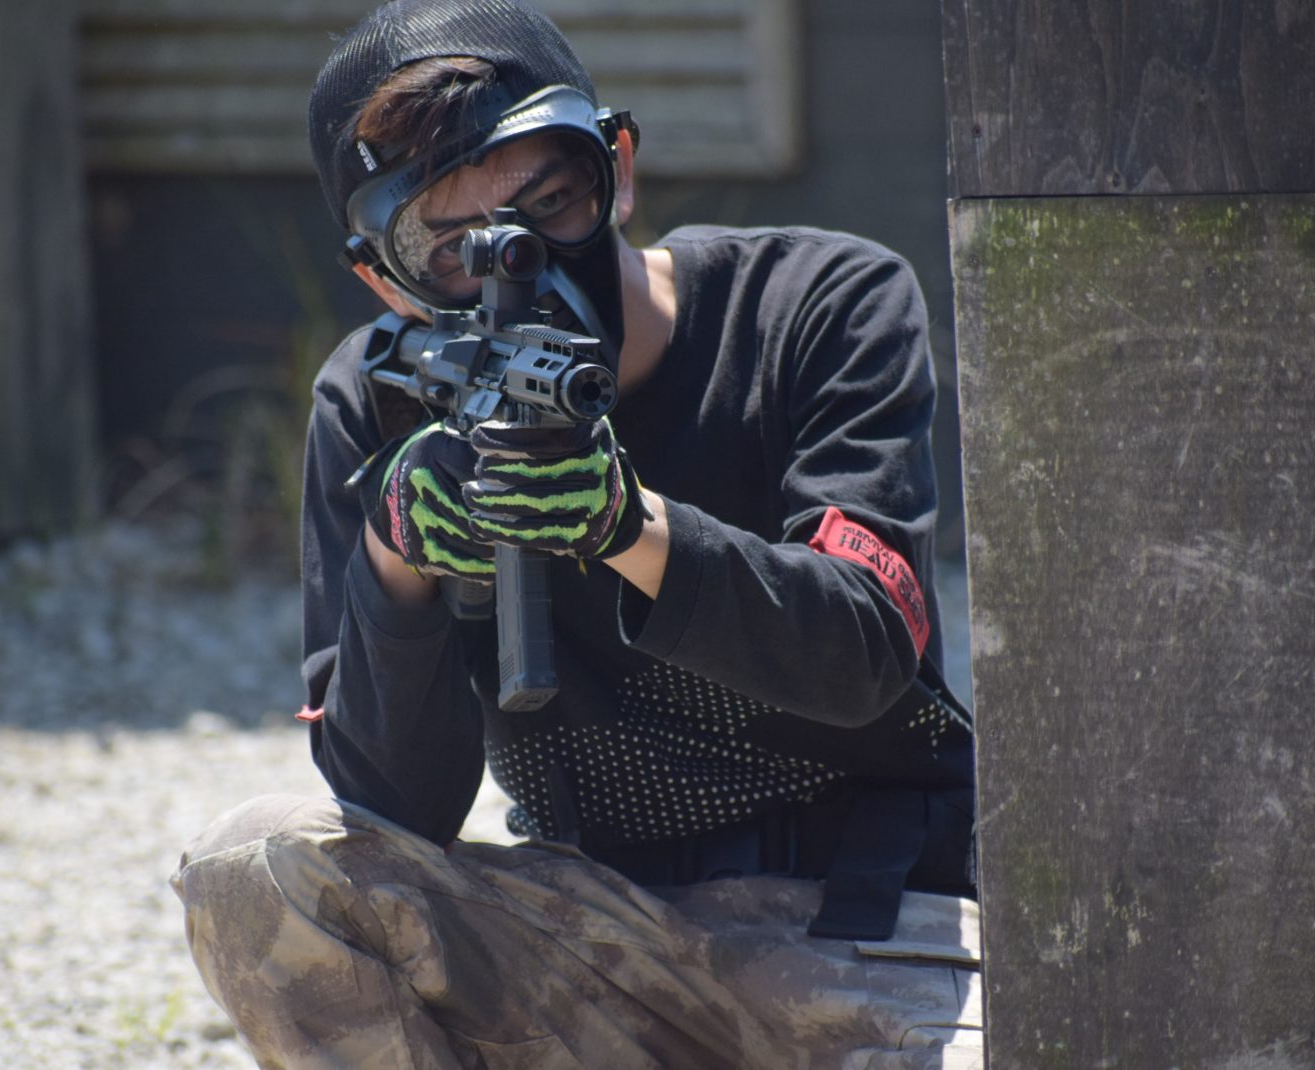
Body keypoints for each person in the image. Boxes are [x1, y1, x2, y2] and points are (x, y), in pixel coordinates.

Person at [171, 1, 983, 1066]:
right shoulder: (378, 404)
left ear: (618, 170)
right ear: (380, 278)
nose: (516, 266)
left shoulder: (816, 303)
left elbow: (866, 653)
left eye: (550, 204)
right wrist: (397, 559)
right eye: (449, 247)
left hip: (872, 920)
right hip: (599, 938)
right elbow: (396, 809)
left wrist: (629, 526)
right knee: (253, 866)